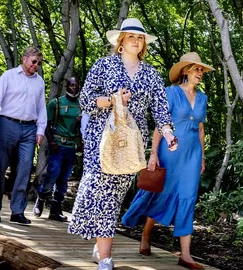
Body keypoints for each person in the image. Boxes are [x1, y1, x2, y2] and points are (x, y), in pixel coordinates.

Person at [69, 18, 175, 270]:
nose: (136, 41)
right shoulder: (103, 65)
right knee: (98, 190)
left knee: (114, 196)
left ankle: (102, 244)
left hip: (130, 144)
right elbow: (85, 100)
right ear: (121, 41)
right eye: (131, 37)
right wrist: (112, 100)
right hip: (101, 139)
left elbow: (161, 110)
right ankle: (105, 257)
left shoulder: (151, 74)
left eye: (140, 38)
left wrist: (169, 134)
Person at [122, 52, 213, 270]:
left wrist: (202, 156)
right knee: (160, 193)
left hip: (191, 155)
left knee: (188, 197)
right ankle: (145, 234)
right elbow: (159, 126)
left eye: (202, 70)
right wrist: (153, 153)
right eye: (196, 69)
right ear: (185, 71)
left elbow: (200, 128)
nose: (200, 73)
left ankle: (186, 255)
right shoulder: (170, 93)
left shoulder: (203, 98)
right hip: (169, 152)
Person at [0, 46, 47, 225]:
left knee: (26, 168)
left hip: (29, 128)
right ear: (24, 59)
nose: (36, 65)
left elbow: (41, 108)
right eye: (34, 61)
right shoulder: (9, 76)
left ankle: (17, 211)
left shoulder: (39, 82)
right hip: (7, 124)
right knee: (0, 167)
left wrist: (40, 130)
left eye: (39, 63)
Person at [33, 77, 81, 221]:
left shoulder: (81, 105)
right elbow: (46, 123)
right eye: (71, 85)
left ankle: (56, 208)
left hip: (71, 146)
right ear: (66, 86)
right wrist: (52, 140)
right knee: (53, 172)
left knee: (64, 179)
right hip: (58, 144)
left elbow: (83, 126)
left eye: (76, 85)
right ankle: (42, 197)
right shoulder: (57, 103)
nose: (74, 87)